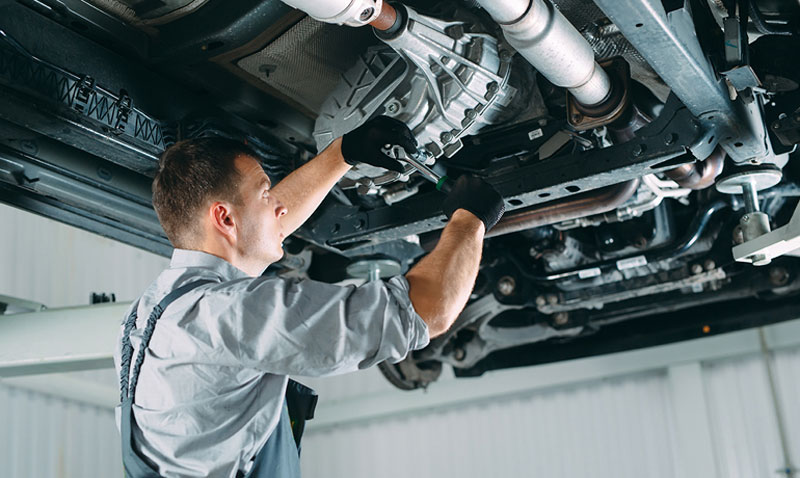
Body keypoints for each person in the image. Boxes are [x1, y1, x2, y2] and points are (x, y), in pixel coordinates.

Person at [114, 116, 505, 478]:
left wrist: (343, 153)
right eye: (266, 194)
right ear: (225, 219)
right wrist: (470, 221)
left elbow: (265, 226)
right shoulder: (228, 314)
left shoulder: (159, 308)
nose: (278, 205)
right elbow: (424, 312)